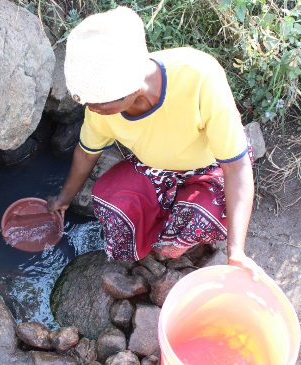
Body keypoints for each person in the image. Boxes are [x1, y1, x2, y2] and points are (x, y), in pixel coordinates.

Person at [47, 6, 262, 276]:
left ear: (132, 86)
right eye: (85, 100)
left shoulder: (198, 77)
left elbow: (237, 167)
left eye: (98, 101)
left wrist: (236, 252)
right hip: (155, 167)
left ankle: (170, 250)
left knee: (200, 215)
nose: (91, 108)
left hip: (210, 168)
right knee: (109, 201)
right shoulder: (99, 108)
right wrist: (64, 199)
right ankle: (146, 250)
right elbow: (86, 153)